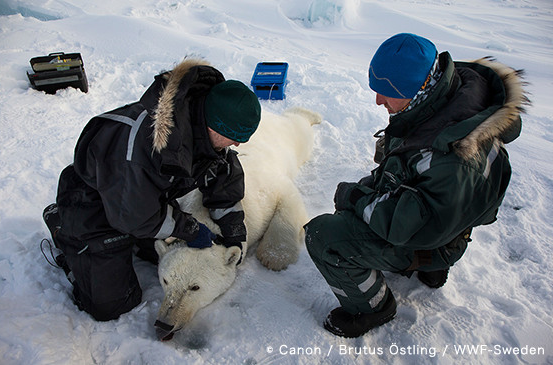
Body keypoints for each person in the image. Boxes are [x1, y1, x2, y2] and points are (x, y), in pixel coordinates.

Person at [304, 33, 527, 338]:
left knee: (324, 236)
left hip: (433, 230)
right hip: (450, 223)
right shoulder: (451, 97)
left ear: (421, 86)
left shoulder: (451, 155)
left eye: (388, 92)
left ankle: (375, 305)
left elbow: (406, 224)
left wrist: (355, 197)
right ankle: (431, 265)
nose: (379, 101)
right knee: (382, 198)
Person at [42, 58, 261, 321]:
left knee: (165, 253)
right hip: (92, 202)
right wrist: (189, 228)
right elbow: (134, 214)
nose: (237, 144)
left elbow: (223, 180)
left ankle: (125, 240)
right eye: (235, 137)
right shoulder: (144, 143)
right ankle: (63, 226)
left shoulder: (203, 133)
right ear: (214, 125)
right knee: (113, 305)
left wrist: (234, 229)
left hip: (142, 201)